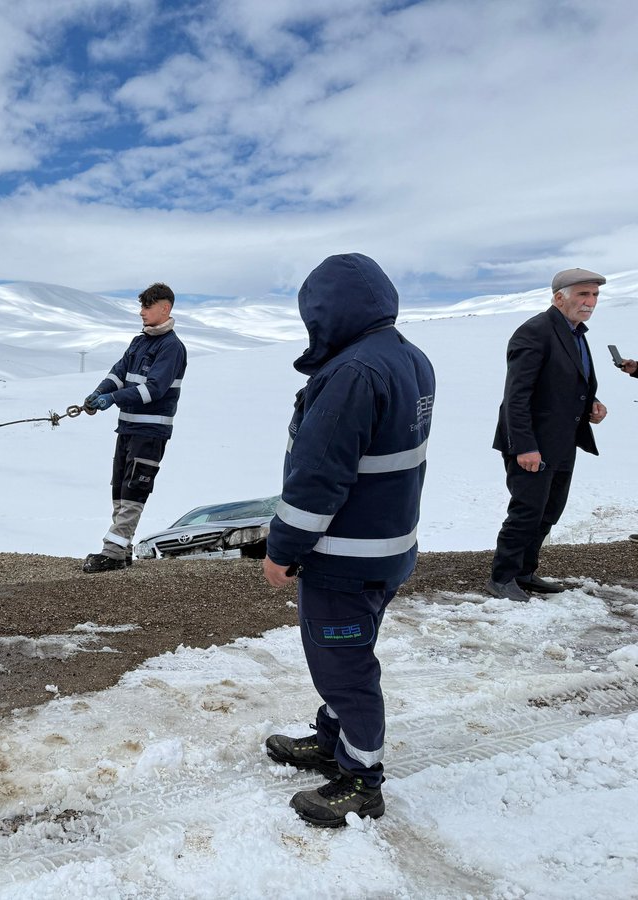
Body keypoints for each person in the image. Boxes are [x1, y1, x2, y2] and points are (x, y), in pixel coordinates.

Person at [261, 253, 434, 827]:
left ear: (328, 313)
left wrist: (283, 550)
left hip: (344, 558)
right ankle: (333, 738)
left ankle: (361, 777)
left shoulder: (353, 373)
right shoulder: (409, 357)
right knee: (348, 654)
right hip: (388, 549)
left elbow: (317, 478)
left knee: (343, 666)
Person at [487, 268, 608, 602]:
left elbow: (562, 384)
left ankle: (525, 572)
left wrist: (591, 405)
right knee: (526, 511)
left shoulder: (575, 333)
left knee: (549, 511)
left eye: (595, 295)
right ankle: (502, 577)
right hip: (532, 444)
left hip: (562, 441)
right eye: (583, 294)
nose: (590, 302)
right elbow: (517, 395)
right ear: (559, 297)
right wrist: (524, 446)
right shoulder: (535, 332)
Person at [81, 282, 187, 573]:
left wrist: (112, 398)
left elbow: (153, 390)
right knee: (119, 489)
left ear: (164, 308)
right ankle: (122, 548)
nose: (141, 312)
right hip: (127, 429)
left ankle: (113, 553)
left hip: (151, 433)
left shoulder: (172, 348)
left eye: (147, 306)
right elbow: (118, 372)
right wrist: (99, 392)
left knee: (134, 491)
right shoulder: (139, 342)